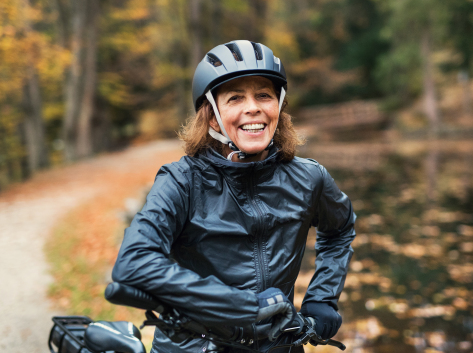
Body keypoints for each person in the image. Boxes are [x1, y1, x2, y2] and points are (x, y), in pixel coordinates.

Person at [111, 40, 356, 353]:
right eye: (235, 98)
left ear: (277, 107)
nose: (252, 107)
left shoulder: (309, 178)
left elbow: (339, 230)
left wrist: (321, 299)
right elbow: (133, 263)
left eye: (263, 95)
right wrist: (245, 306)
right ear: (212, 117)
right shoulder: (181, 182)